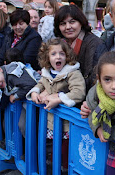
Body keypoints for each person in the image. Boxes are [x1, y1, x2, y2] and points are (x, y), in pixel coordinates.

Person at [26, 38, 86, 171]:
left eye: (62, 54)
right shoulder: (47, 72)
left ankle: (64, 168)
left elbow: (79, 91)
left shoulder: (72, 72)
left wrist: (59, 97)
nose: (58, 57)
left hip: (65, 124)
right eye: (53, 54)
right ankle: (54, 165)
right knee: (54, 146)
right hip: (50, 121)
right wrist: (35, 92)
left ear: (67, 56)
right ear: (47, 57)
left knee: (65, 148)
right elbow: (41, 83)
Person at [0, 62, 38, 137]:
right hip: (30, 101)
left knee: (23, 126)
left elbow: (32, 84)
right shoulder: (3, 78)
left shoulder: (12, 74)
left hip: (39, 99)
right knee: (10, 124)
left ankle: (32, 147)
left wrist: (15, 96)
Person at [54, 4, 103, 92]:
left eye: (72, 22)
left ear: (81, 22)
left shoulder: (93, 43)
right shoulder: (60, 44)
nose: (68, 27)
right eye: (63, 24)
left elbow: (92, 79)